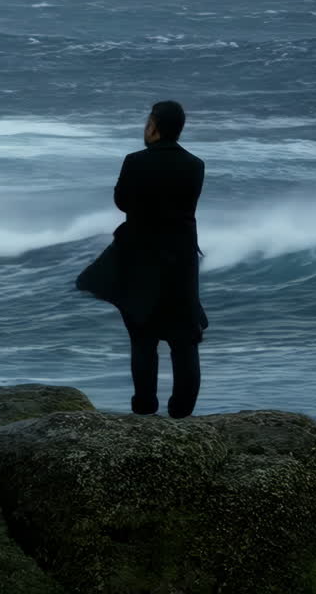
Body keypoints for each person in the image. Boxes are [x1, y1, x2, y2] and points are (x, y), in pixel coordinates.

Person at [110, 101, 206, 418]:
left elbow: (122, 202)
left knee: (143, 338)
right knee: (184, 341)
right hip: (181, 264)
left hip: (142, 260)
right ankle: (182, 414)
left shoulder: (134, 162)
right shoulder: (195, 165)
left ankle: (145, 410)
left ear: (153, 126)